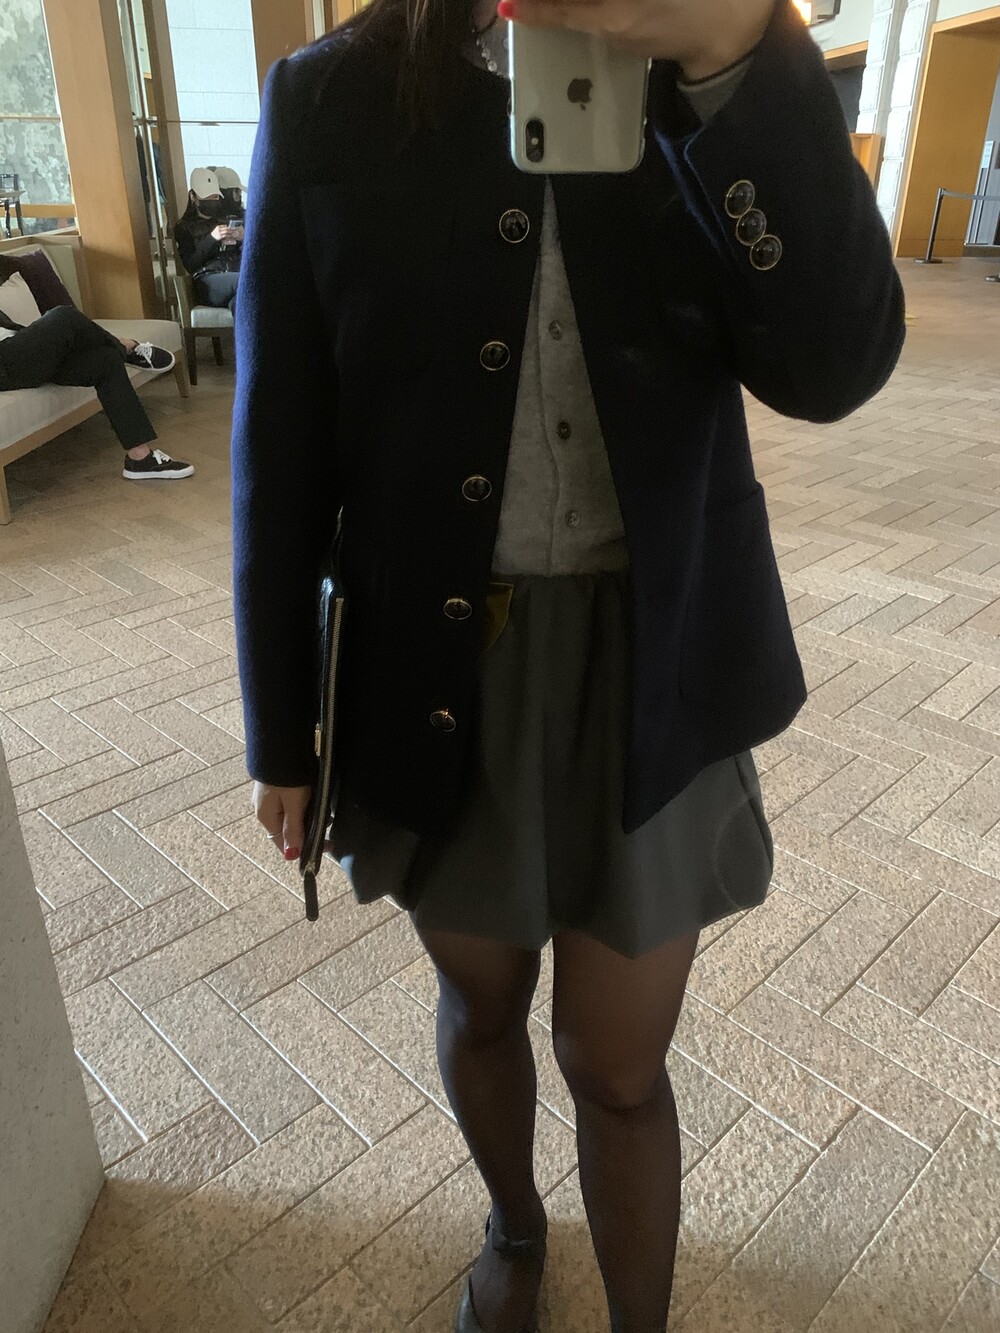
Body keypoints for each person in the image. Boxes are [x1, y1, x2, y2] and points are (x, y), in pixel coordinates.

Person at [232, 2, 905, 1331]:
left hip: (654, 654)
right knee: (481, 1000)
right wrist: (280, 729)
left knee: (616, 1061)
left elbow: (834, 362)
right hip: (435, 657)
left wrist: (731, 54)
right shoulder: (328, 96)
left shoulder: (699, 50)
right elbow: (280, 441)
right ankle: (514, 1222)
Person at [0, 304, 193, 480]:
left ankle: (140, 459)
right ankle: (126, 347)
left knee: (106, 360)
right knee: (63, 315)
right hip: (6, 363)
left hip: (21, 352)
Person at [174, 167, 242, 314]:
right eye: (207, 197)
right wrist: (212, 239)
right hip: (208, 279)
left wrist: (243, 239)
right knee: (247, 281)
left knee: (241, 302)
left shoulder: (225, 220)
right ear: (193, 196)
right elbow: (191, 264)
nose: (212, 201)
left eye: (215, 197)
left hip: (234, 271)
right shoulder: (183, 228)